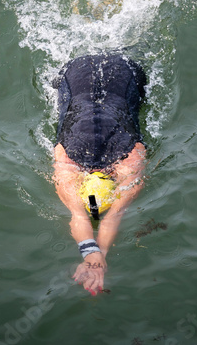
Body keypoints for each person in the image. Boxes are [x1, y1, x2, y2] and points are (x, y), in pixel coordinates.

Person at [52, 53, 147, 295]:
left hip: (124, 74)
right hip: (74, 75)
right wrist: (96, 255)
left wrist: (97, 255)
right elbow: (86, 215)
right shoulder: (69, 165)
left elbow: (108, 215)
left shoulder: (130, 160)